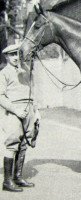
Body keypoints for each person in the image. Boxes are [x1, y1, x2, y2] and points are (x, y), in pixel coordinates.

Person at [0, 43, 40, 192]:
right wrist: (15, 110)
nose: (16, 57)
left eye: (17, 54)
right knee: (12, 143)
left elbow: (31, 91)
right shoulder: (4, 73)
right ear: (6, 56)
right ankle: (7, 182)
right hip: (14, 110)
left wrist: (36, 111)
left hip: (28, 109)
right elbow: (1, 97)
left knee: (24, 144)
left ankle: (17, 177)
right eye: (12, 55)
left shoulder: (25, 70)